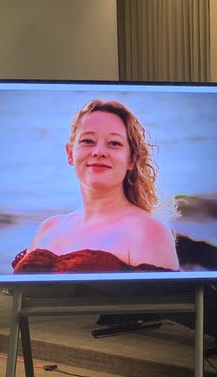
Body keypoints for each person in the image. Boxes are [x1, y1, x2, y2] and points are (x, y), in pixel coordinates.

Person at [13, 99, 180, 273]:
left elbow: (165, 300)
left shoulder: (148, 231)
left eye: (114, 143)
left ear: (131, 159)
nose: (99, 151)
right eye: (88, 141)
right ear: (70, 154)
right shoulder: (48, 227)